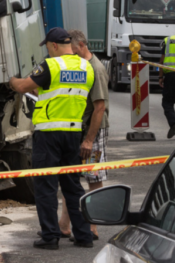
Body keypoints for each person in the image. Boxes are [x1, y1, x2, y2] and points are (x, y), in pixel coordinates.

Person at [8, 27, 95, 250]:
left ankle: (50, 237)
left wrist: (11, 79)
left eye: (48, 47)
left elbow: (23, 86)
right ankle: (84, 235)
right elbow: (64, 92)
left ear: (54, 45)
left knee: (46, 186)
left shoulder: (51, 65)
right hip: (73, 134)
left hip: (48, 135)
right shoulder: (87, 67)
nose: (48, 51)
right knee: (73, 187)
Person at [53, 29, 108, 241]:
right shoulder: (82, 66)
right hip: (79, 131)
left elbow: (100, 107)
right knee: (71, 177)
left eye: (73, 51)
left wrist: (89, 139)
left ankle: (93, 227)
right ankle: (64, 225)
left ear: (83, 46)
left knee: (93, 178)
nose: (70, 55)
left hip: (93, 132)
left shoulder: (96, 68)